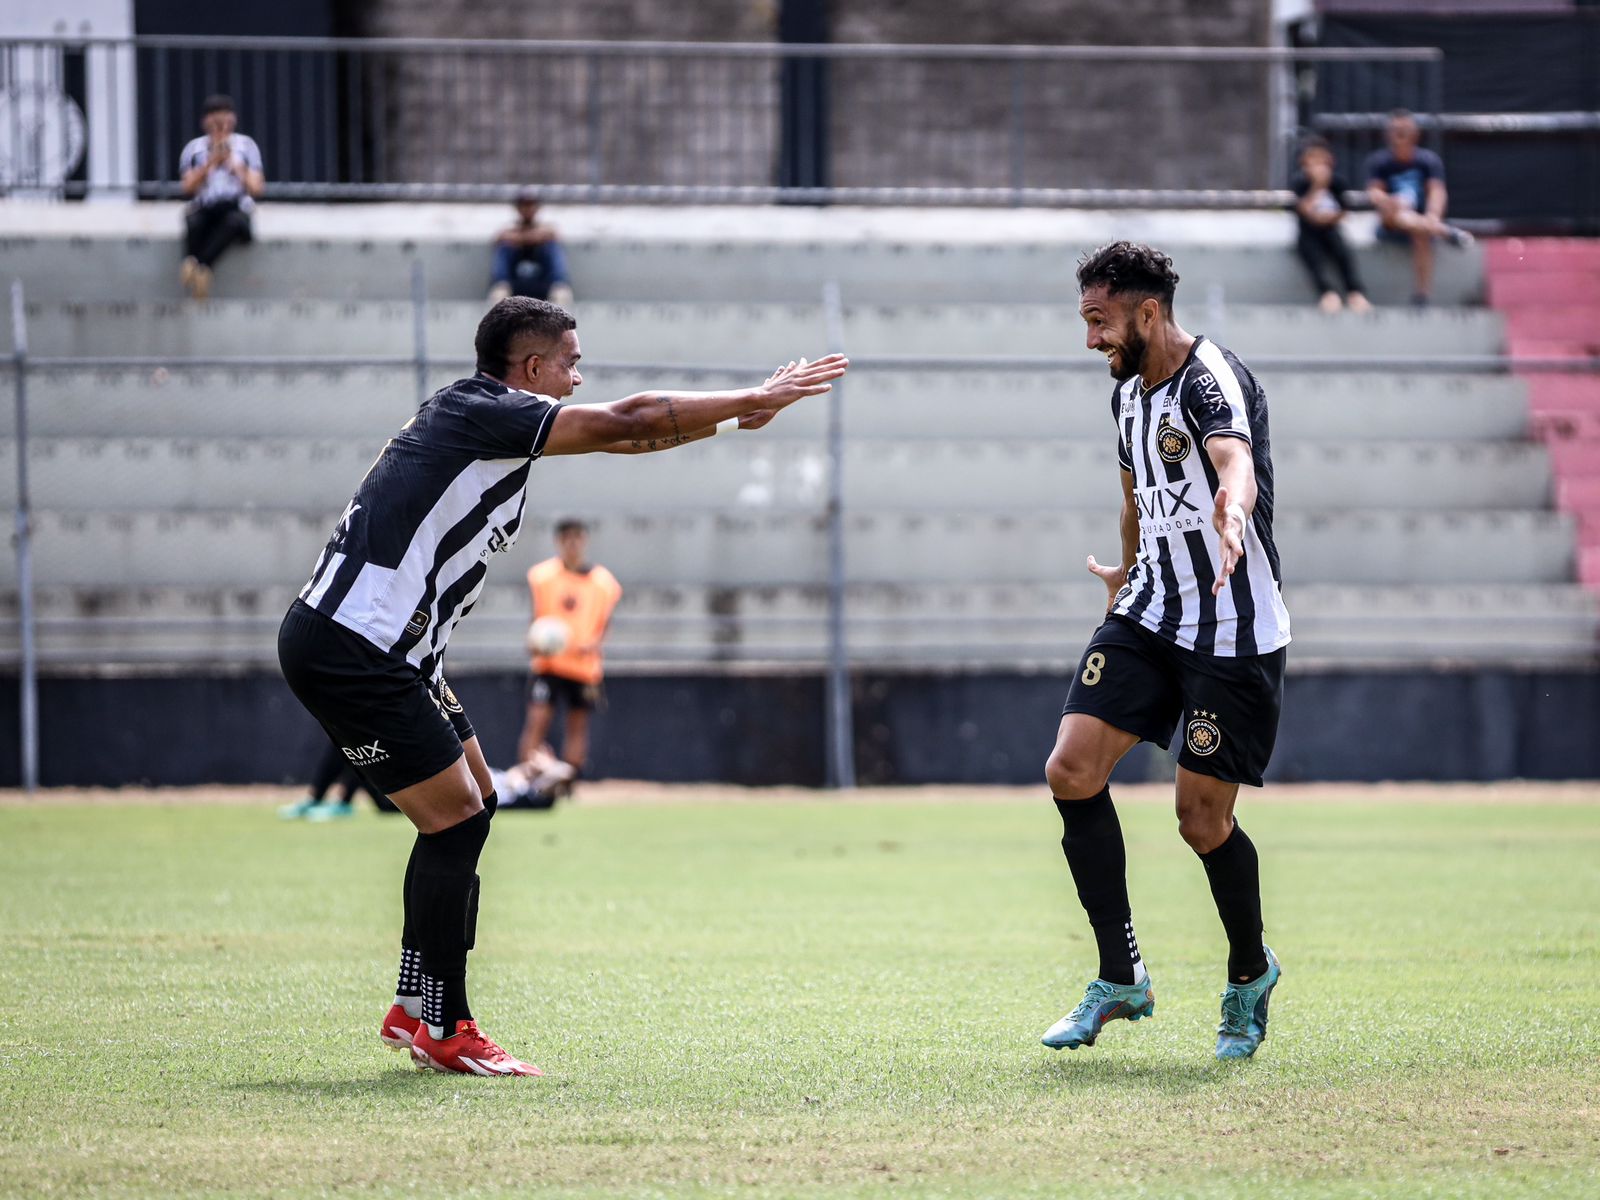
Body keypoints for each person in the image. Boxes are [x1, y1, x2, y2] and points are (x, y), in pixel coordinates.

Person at [277, 295, 846, 1077]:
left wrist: (724, 423)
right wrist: (749, 398)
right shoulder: (488, 411)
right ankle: (444, 1023)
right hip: (355, 646)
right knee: (455, 823)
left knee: (475, 803)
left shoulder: (474, 418)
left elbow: (632, 427)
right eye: (570, 362)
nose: (580, 376)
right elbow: (627, 422)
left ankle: (415, 1006)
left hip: (397, 653)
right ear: (532, 367)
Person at [1040, 242, 1292, 1062]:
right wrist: (1123, 573)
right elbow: (1133, 497)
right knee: (1070, 769)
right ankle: (1121, 977)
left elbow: (1233, 460)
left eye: (1099, 321)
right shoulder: (1126, 396)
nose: (1091, 340)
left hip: (1231, 625)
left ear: (1148, 313)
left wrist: (1231, 512)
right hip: (1150, 609)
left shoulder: (1208, 378)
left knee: (1200, 820)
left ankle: (1250, 973)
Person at [516, 519, 621, 790]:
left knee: (577, 725)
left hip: (583, 667)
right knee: (537, 721)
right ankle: (528, 782)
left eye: (577, 537)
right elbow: (536, 617)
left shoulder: (604, 583)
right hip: (549, 664)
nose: (572, 543)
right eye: (567, 538)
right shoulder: (542, 576)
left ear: (584, 540)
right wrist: (534, 640)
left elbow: (604, 624)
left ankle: (568, 783)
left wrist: (594, 644)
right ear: (559, 541)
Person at [1364, 110, 1472, 307]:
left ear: (1415, 133)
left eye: (1404, 129)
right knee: (1400, 214)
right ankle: (1444, 232)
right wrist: (1391, 201)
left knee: (1419, 232)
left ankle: (1422, 295)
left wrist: (1432, 216)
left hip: (1421, 224)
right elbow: (1374, 193)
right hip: (1391, 222)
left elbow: (1437, 192)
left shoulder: (1427, 161)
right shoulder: (1380, 162)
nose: (1400, 134)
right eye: (1396, 130)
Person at [177, 94, 264, 301]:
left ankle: (199, 265)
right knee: (194, 222)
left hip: (235, 207)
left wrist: (233, 164)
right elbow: (187, 187)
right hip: (207, 207)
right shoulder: (195, 149)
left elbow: (257, 187)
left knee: (233, 223)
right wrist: (210, 163)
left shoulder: (245, 146)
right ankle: (198, 268)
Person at [1289, 137, 1371, 315]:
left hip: (1330, 230)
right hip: (1308, 233)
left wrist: (1329, 218)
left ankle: (1354, 292)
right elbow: (1304, 209)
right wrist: (1318, 185)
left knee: (1343, 254)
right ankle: (1327, 293)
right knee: (1312, 257)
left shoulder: (1337, 183)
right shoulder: (1301, 183)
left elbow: (1343, 210)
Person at [487, 188, 574, 307]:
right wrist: (529, 238)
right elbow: (499, 238)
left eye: (531, 205)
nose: (528, 209)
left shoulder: (546, 229)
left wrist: (523, 238)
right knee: (504, 249)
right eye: (524, 205)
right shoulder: (510, 230)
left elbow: (553, 234)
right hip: (514, 284)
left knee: (552, 247)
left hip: (544, 284)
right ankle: (500, 290)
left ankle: (560, 290)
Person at [278, 737, 385, 821]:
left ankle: (343, 803)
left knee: (359, 743)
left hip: (391, 801)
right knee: (343, 738)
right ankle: (316, 800)